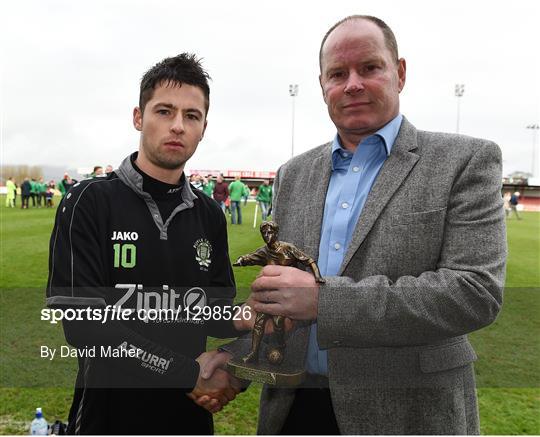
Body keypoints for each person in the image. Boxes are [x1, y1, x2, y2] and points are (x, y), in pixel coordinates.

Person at [200, 15, 506, 435]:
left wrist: (325, 302)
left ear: (399, 72)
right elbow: (285, 301)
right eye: (338, 73)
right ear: (322, 84)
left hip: (408, 416)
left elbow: (474, 292)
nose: (353, 84)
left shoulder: (463, 161)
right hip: (297, 411)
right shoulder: (294, 174)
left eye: (370, 67)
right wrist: (234, 361)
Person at [45, 53, 254, 435]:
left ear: (204, 127)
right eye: (164, 111)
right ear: (139, 117)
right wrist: (189, 374)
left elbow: (212, 310)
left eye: (192, 116)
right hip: (107, 419)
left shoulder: (209, 214)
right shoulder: (88, 201)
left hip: (189, 420)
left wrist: (251, 323)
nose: (178, 126)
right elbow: (85, 327)